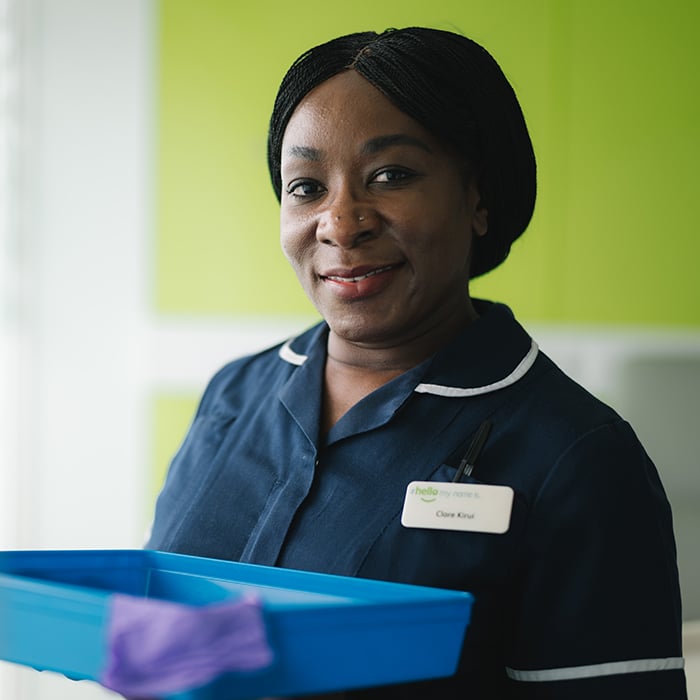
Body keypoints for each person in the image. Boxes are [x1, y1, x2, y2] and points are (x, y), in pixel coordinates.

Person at [147, 27, 688, 699]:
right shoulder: (235, 394)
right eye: (307, 186)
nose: (341, 223)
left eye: (391, 176)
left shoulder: (576, 456)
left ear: (479, 196)